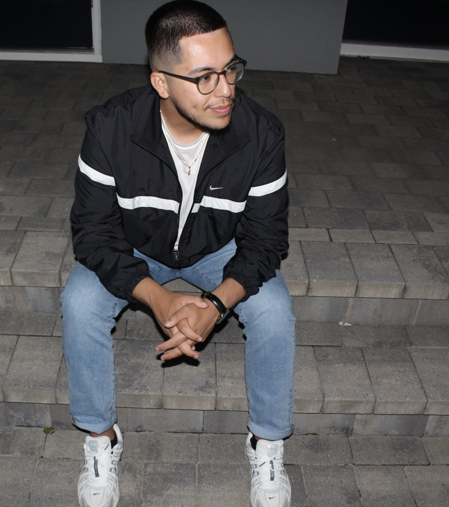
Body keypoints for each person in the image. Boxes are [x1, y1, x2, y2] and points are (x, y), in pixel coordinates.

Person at [61, 1, 296, 505]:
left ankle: (268, 441)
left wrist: (215, 304)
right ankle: (101, 439)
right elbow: (94, 234)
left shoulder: (261, 135)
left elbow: (267, 239)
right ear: (162, 83)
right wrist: (157, 299)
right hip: (136, 248)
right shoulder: (110, 129)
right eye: (205, 77)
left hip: (216, 247)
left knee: (274, 309)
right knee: (80, 303)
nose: (227, 89)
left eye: (231, 69)